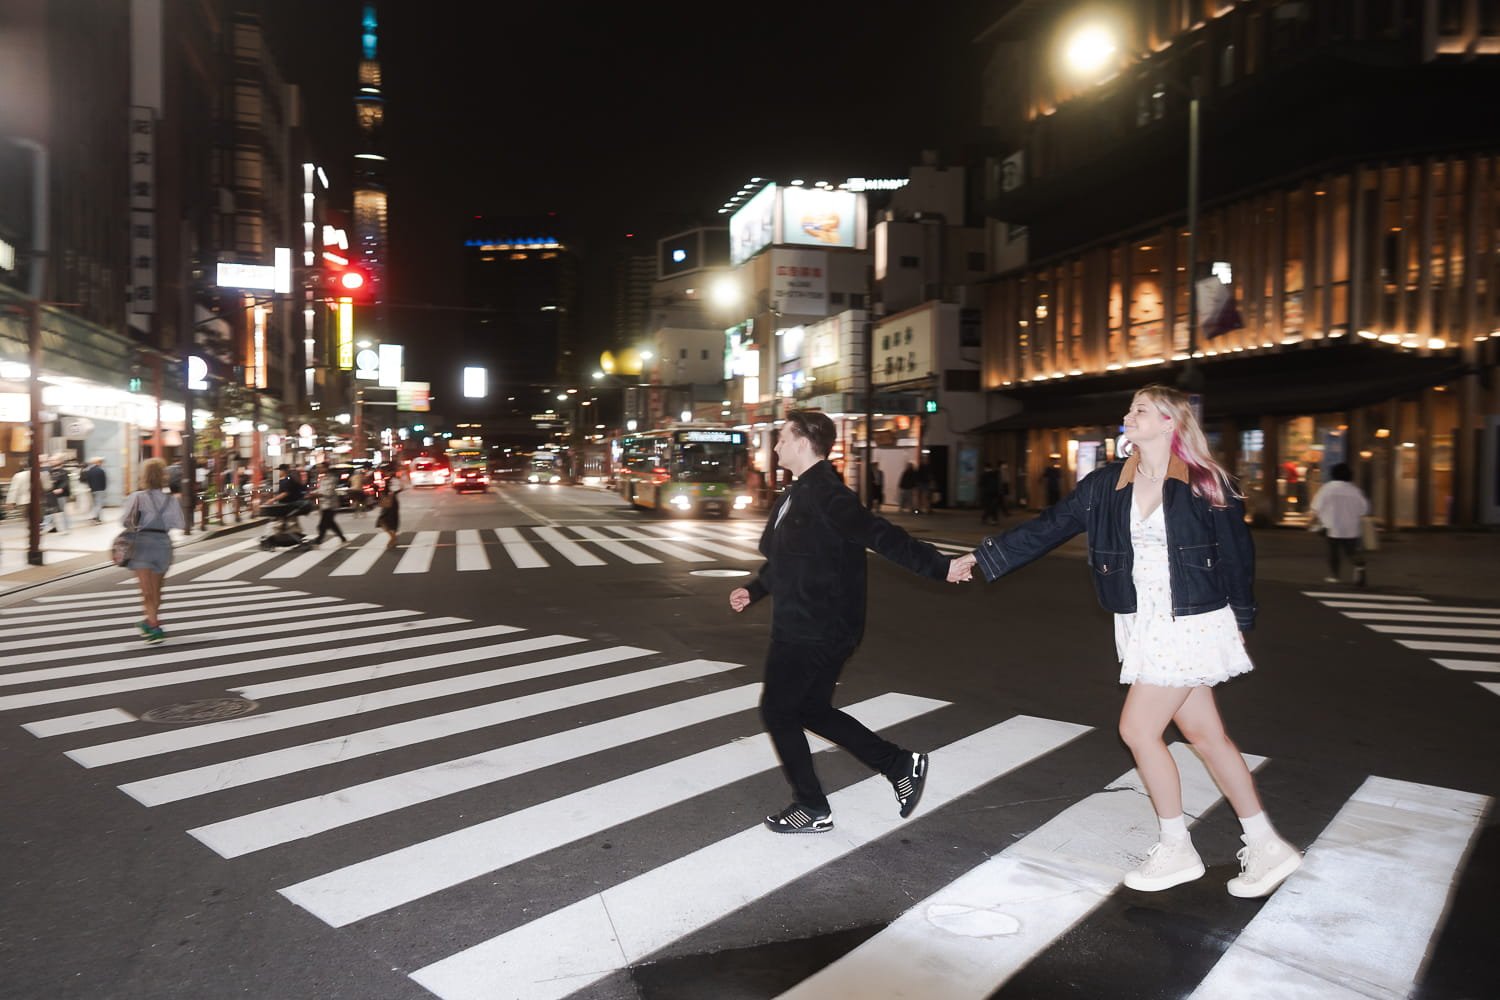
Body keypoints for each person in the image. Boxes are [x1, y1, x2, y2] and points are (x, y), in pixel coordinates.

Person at [950, 385, 1301, 899]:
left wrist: (1239, 621)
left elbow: (1236, 556)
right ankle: (1266, 844)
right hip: (1144, 622)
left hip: (1190, 620)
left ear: (1168, 423)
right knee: (1207, 737)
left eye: (1140, 410)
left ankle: (1177, 848)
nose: (1128, 416)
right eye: (1130, 408)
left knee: (1137, 729)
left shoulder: (1206, 483)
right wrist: (982, 558)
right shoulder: (1106, 485)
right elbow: (1048, 528)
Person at [728, 410, 969, 834]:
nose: (776, 445)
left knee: (778, 711)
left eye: (782, 438)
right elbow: (788, 559)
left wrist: (940, 567)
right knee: (812, 710)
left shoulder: (826, 493)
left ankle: (812, 806)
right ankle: (899, 765)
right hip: (811, 623)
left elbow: (881, 534)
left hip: (814, 627)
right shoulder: (797, 492)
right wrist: (756, 589)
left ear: (803, 442)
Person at [121, 457, 185, 643]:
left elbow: (124, 521)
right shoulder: (171, 500)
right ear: (163, 477)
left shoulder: (136, 497)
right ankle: (151, 621)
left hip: (142, 544)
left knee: (146, 591)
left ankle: (154, 625)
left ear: (144, 477)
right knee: (157, 589)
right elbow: (178, 523)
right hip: (163, 545)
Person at [1310, 462, 1369, 586]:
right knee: (1351, 551)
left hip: (1332, 526)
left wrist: (1310, 520)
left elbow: (1316, 506)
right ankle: (1359, 565)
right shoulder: (1355, 490)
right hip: (1351, 528)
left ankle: (1335, 576)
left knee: (1333, 552)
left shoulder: (1328, 488)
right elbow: (1364, 509)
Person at [312, 462, 348, 545]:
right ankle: (343, 538)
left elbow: (328, 492)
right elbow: (320, 490)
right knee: (331, 523)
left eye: (320, 468)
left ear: (326, 468)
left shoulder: (332, 478)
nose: (318, 469)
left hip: (331, 505)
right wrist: (312, 493)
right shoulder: (323, 478)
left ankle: (318, 541)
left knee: (322, 525)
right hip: (324, 505)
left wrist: (315, 495)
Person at [377, 463, 404, 549]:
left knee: (382, 521)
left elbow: (396, 489)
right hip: (392, 502)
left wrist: (389, 493)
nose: (383, 472)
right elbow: (401, 488)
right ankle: (393, 539)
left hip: (390, 503)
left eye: (384, 470)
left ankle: (393, 538)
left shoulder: (391, 479)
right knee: (390, 521)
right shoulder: (391, 479)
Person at [81, 457, 107, 523]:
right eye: (101, 462)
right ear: (97, 462)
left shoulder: (89, 471)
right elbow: (104, 481)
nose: (101, 463)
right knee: (99, 504)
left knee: (95, 504)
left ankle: (98, 518)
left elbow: (87, 480)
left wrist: (91, 487)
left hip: (93, 490)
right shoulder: (101, 470)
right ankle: (95, 517)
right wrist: (104, 488)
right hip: (100, 489)